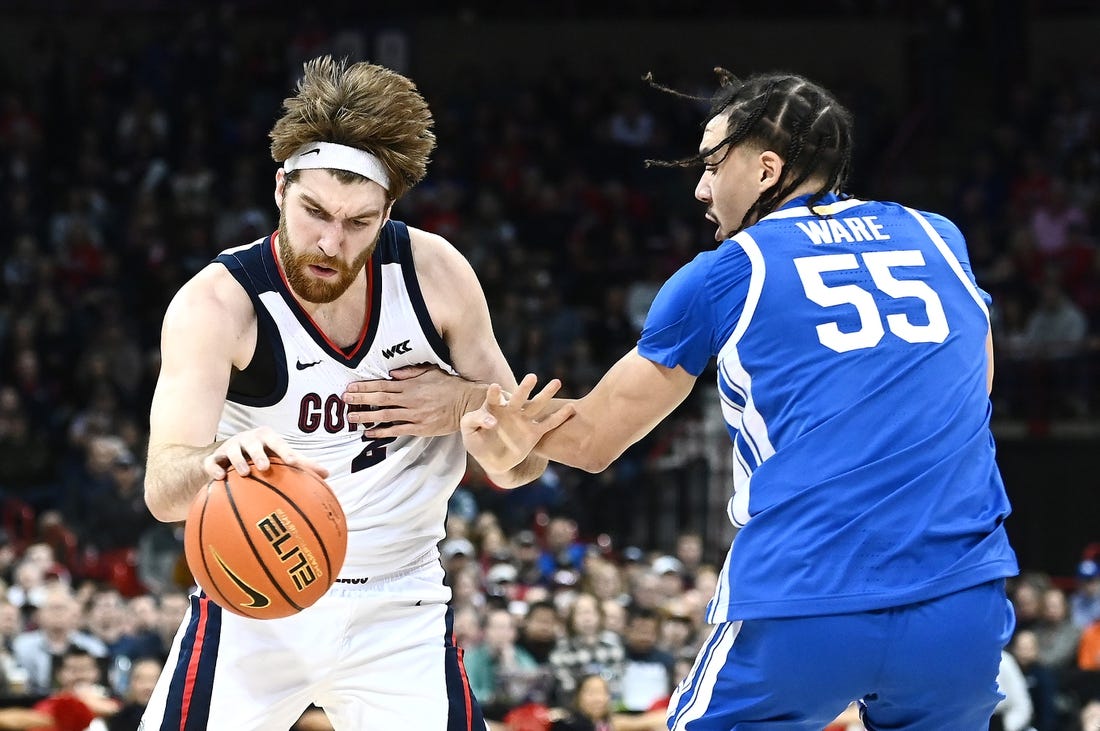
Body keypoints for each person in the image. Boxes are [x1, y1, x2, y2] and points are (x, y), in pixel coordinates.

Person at [362, 69, 1019, 730]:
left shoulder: (731, 269)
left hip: (811, 596)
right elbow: (977, 386)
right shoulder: (939, 237)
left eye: (711, 164)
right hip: (962, 601)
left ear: (766, 168)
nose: (701, 187)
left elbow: (594, 439)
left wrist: (461, 400)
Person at [140, 55, 569, 730]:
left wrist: (464, 405)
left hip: (400, 604)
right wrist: (212, 461)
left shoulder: (435, 274)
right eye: (314, 211)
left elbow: (522, 466)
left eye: (358, 222)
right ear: (280, 187)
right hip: (256, 598)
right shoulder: (219, 303)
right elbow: (163, 490)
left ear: (388, 211)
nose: (331, 242)